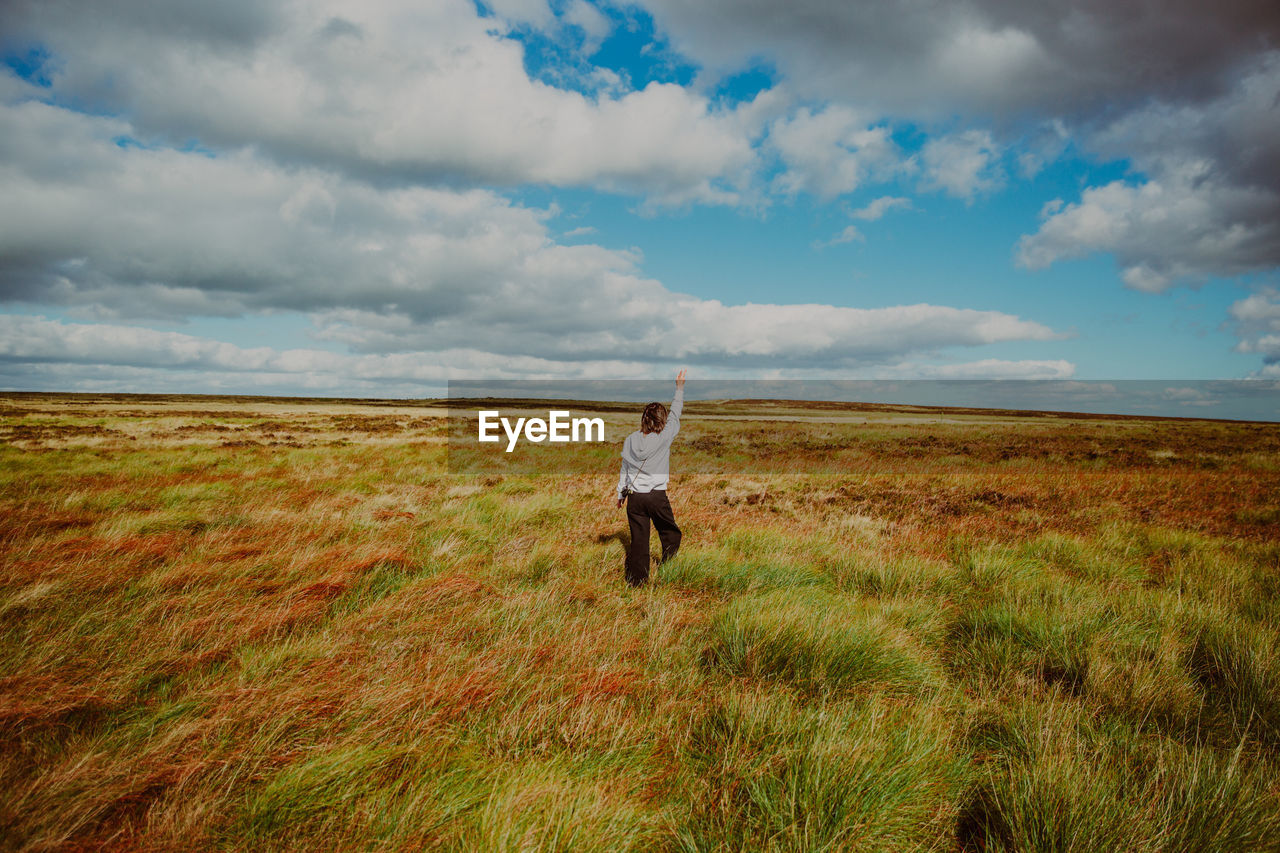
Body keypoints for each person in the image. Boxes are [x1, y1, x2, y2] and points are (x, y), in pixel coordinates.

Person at [615, 369, 686, 587]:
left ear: (643, 419)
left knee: (639, 542)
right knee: (671, 534)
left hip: (634, 498)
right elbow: (676, 414)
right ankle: (668, 568)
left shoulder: (630, 439)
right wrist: (679, 387)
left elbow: (625, 468)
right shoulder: (664, 437)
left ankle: (637, 583)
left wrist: (620, 494)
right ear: (661, 420)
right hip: (656, 496)